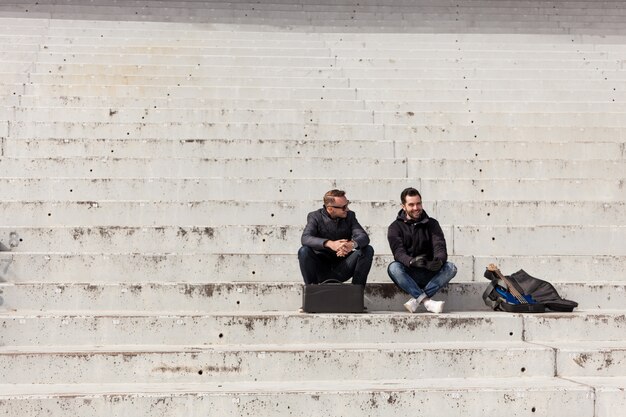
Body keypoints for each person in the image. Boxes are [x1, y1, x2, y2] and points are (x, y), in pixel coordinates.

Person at [387, 187, 457, 313]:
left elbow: (440, 247)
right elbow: (398, 252)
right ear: (403, 206)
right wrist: (411, 261)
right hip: (408, 274)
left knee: (451, 268)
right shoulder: (394, 227)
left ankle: (417, 300)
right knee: (393, 268)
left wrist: (438, 261)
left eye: (418, 203)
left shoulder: (432, 224)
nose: (416, 208)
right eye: (411, 204)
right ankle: (427, 302)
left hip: (429, 271)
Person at [298, 189, 374, 286]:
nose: (347, 209)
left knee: (367, 249)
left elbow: (363, 237)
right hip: (320, 269)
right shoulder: (315, 216)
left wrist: (351, 245)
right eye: (343, 207)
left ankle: (356, 291)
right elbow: (305, 238)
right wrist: (330, 244)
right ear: (330, 209)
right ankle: (311, 290)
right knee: (304, 251)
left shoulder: (350, 216)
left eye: (347, 204)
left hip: (344, 267)